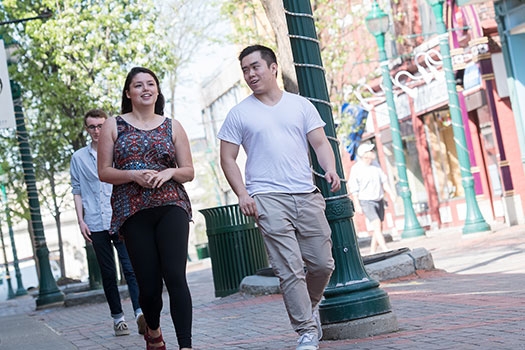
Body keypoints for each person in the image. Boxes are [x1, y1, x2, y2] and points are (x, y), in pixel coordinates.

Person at [218, 44, 341, 350]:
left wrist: (330, 169)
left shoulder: (300, 105)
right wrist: (243, 193)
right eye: (245, 70)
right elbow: (227, 158)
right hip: (266, 196)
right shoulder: (239, 113)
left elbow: (320, 142)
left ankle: (309, 308)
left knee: (323, 264)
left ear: (273, 68)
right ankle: (306, 330)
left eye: (255, 67)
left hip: (306, 192)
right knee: (289, 268)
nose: (250, 74)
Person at [98, 67, 194, 350]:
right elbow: (104, 171)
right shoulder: (113, 126)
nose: (145, 89)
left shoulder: (172, 125)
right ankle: (152, 328)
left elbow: (188, 171)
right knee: (149, 287)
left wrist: (167, 173)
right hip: (133, 211)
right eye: (138, 85)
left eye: (150, 84)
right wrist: (133, 175)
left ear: (157, 90)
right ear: (128, 93)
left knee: (176, 276)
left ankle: (186, 345)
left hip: (171, 203)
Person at [70, 109, 145, 337]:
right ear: (87, 129)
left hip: (120, 217)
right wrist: (81, 220)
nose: (96, 131)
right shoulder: (78, 158)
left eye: (100, 126)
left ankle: (140, 313)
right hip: (95, 221)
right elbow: (77, 190)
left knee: (131, 269)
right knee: (108, 273)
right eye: (92, 127)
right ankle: (118, 320)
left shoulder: (118, 153)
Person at [348, 142, 395, 254]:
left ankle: (373, 251)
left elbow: (383, 181)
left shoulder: (375, 165)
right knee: (377, 223)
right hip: (366, 200)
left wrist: (391, 194)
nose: (372, 152)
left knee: (379, 227)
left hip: (378, 198)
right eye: (370, 151)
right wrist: (357, 205)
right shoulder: (356, 168)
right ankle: (385, 249)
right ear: (364, 154)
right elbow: (354, 188)